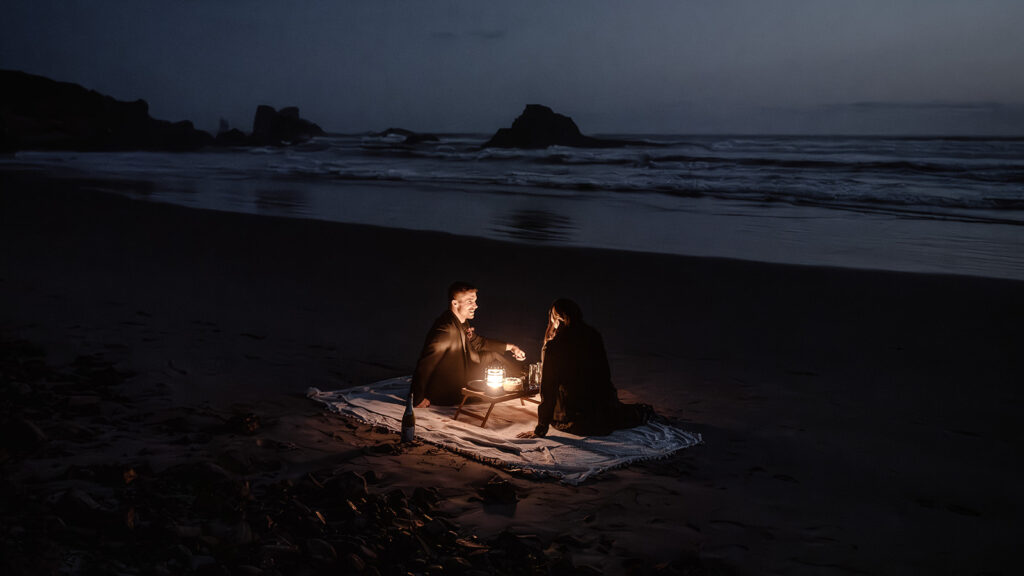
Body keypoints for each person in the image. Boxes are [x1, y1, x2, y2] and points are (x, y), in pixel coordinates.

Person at [519, 299, 653, 438]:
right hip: (600, 406)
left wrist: (541, 427)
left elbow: (549, 387)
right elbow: (605, 373)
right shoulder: (593, 334)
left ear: (557, 318)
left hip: (575, 411)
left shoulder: (554, 345)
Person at [411, 281, 525, 407]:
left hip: (466, 369)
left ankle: (521, 381)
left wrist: (513, 347)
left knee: (492, 355)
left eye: (475, 301)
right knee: (492, 392)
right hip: (447, 391)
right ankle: (521, 383)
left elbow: (479, 342)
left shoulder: (462, 321)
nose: (475, 306)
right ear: (455, 303)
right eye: (470, 301)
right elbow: (426, 363)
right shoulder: (446, 329)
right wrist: (418, 398)